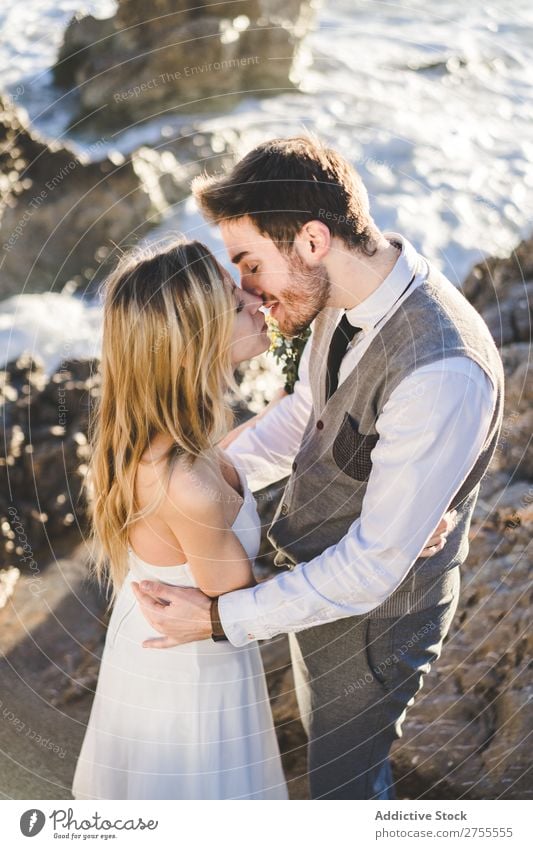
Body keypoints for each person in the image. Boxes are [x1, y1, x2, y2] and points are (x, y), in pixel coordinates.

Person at [133, 136, 504, 800]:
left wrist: (219, 620)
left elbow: (370, 568)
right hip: (319, 592)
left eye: (249, 264)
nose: (244, 293)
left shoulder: (441, 372)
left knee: (344, 790)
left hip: (376, 627)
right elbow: (309, 410)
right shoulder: (343, 294)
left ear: (310, 241)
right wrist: (197, 476)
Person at [72, 239, 288, 800]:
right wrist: (383, 542)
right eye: (236, 301)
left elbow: (228, 463)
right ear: (194, 347)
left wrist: (302, 407)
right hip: (194, 696)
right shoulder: (187, 489)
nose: (255, 296)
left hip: (148, 671)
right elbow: (247, 608)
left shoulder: (150, 444)